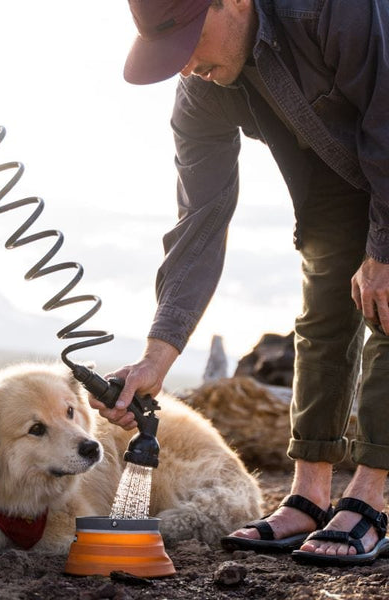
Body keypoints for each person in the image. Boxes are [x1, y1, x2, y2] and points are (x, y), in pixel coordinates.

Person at [89, 0, 389, 567]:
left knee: (387, 304)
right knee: (322, 311)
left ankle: (370, 499)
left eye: (185, 44)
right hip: (336, 171)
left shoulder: (326, 9)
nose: (182, 67)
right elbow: (198, 223)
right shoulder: (202, 89)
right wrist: (157, 357)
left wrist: (384, 249)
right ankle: (309, 495)